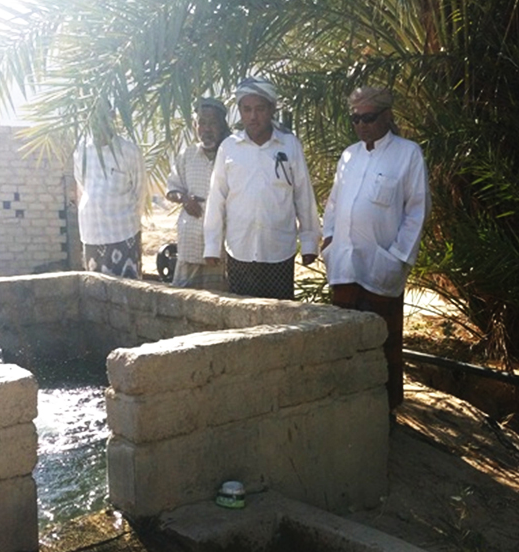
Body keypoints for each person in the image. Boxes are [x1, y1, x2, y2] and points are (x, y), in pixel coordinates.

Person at [321, 86, 430, 412]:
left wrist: (397, 258)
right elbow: (334, 203)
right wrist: (329, 240)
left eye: (368, 117)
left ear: (386, 115)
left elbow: (417, 210)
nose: (361, 125)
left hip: (381, 267)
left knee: (383, 345)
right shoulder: (349, 155)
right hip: (344, 266)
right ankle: (349, 411)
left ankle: (384, 413)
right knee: (345, 344)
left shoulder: (407, 154)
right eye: (355, 119)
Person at [203, 77, 320, 299]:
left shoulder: (289, 145)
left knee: (279, 314)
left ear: (272, 109)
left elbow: (303, 196)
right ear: (240, 111)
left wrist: (309, 243)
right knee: (241, 313)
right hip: (239, 250)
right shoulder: (229, 148)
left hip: (278, 251)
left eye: (259, 109)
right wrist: (211, 245)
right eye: (247, 110)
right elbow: (216, 198)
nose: (253, 116)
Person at [165, 97, 231, 291]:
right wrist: (184, 199)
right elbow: (171, 189)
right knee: (184, 298)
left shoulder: (232, 155)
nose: (207, 129)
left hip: (221, 247)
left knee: (221, 300)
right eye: (202, 123)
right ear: (195, 126)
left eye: (213, 123)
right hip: (190, 244)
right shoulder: (187, 155)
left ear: (223, 125)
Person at [73, 116, 147, 279]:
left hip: (123, 233)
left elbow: (140, 191)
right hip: (91, 234)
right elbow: (82, 185)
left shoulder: (129, 151)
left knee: (128, 289)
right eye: (93, 119)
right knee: (95, 288)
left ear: (111, 117)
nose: (98, 124)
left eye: (103, 118)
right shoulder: (81, 150)